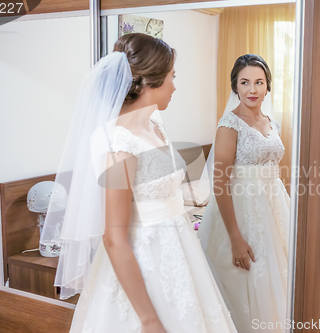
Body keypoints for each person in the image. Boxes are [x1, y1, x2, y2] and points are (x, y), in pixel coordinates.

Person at [41, 33, 237, 333]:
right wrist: (149, 319)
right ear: (148, 83)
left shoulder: (155, 124)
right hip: (146, 259)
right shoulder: (117, 142)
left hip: (180, 251)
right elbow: (114, 238)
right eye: (172, 77)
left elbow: (156, 187)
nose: (175, 86)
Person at [197, 54, 290, 333]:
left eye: (259, 82)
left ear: (267, 86)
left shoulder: (272, 123)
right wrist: (236, 238)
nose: (252, 89)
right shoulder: (230, 125)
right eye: (245, 82)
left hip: (274, 204)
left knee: (283, 275)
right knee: (249, 282)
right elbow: (220, 184)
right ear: (235, 86)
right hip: (242, 209)